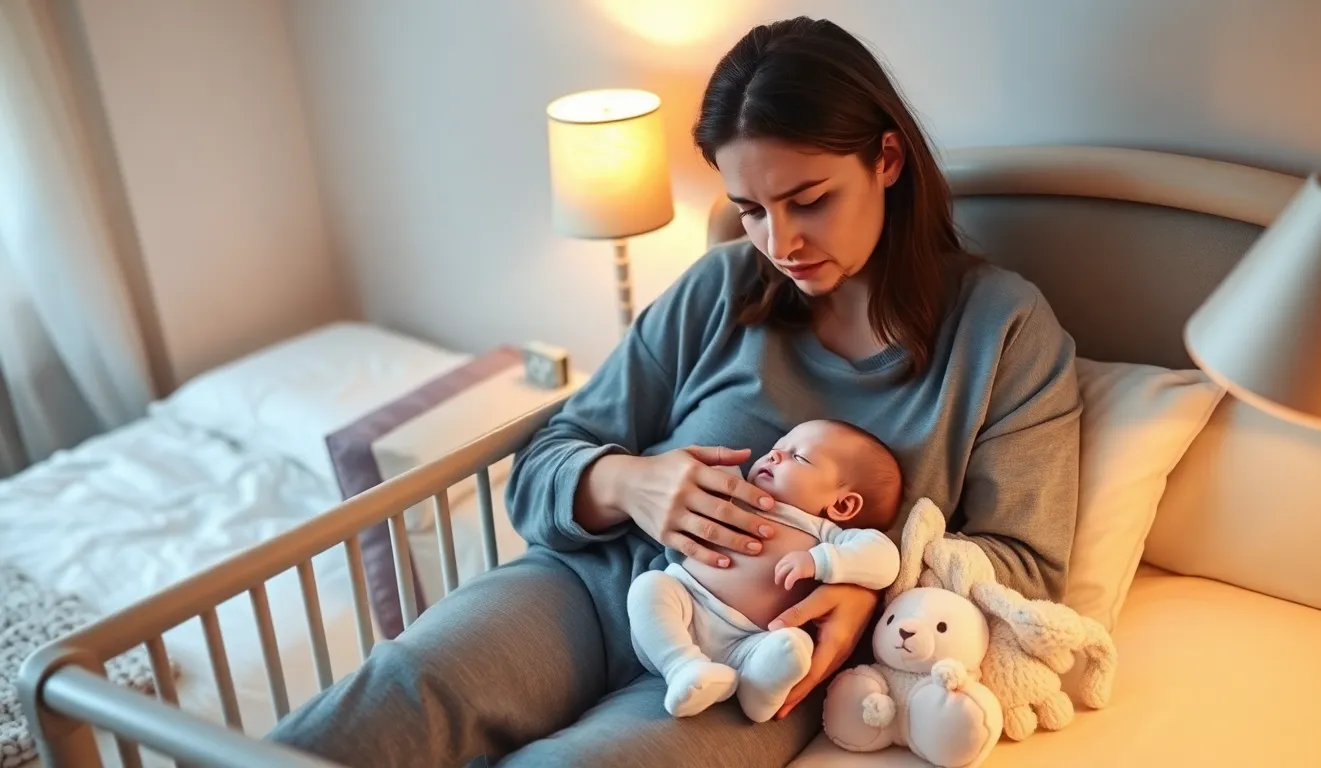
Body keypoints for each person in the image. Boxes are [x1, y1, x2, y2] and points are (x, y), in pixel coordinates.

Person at [267, 15, 1081, 768]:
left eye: (809, 201)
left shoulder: (1001, 332)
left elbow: (1027, 572)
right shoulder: (721, 287)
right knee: (398, 694)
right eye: (750, 209)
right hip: (593, 588)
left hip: (764, 659)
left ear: (888, 161)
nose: (780, 242)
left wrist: (868, 601)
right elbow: (541, 470)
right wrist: (632, 482)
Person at [628, 419, 904, 723]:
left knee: (791, 647)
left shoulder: (828, 536)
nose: (774, 455)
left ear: (843, 505)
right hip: (684, 604)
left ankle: (758, 693)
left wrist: (821, 561)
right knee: (649, 586)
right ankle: (682, 666)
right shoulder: (740, 496)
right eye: (776, 448)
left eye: (798, 457)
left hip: (748, 641)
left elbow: (885, 560)